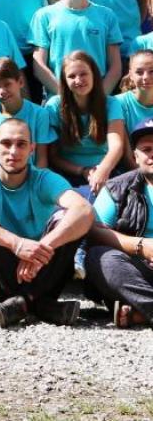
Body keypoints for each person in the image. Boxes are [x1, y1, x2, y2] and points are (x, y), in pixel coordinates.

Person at [0, 118, 94, 328]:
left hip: (35, 274)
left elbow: (84, 210)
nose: (13, 151)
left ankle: (24, 303)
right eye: (6, 143)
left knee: (67, 219)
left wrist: (40, 250)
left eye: (21, 144)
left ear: (32, 149)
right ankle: (40, 305)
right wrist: (16, 244)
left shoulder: (44, 179)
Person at [45, 50, 125, 278]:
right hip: (70, 172)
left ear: (94, 75)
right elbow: (54, 156)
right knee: (79, 200)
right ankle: (76, 254)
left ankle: (80, 253)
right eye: (72, 76)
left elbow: (117, 145)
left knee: (94, 198)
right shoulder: (54, 106)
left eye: (83, 74)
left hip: (106, 170)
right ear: (64, 80)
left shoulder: (110, 103)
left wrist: (102, 170)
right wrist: (83, 170)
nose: (78, 80)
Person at [85, 118, 153, 328]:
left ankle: (142, 312)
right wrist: (141, 246)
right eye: (147, 150)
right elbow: (94, 231)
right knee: (100, 257)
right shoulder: (117, 188)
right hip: (137, 272)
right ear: (135, 156)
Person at [30, 0, 121, 96]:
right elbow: (39, 66)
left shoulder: (107, 16)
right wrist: (64, 97)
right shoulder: (43, 16)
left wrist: (100, 98)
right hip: (60, 101)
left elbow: (115, 68)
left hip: (98, 100)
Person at [0, 56, 54, 169]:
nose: (2, 91)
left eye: (7, 84)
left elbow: (41, 159)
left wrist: (37, 180)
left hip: (34, 175)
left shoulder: (39, 114)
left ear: (21, 82)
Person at [115, 50, 153, 166]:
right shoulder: (118, 103)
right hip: (135, 171)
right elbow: (128, 158)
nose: (146, 77)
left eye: (152, 71)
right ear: (131, 75)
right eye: (139, 72)